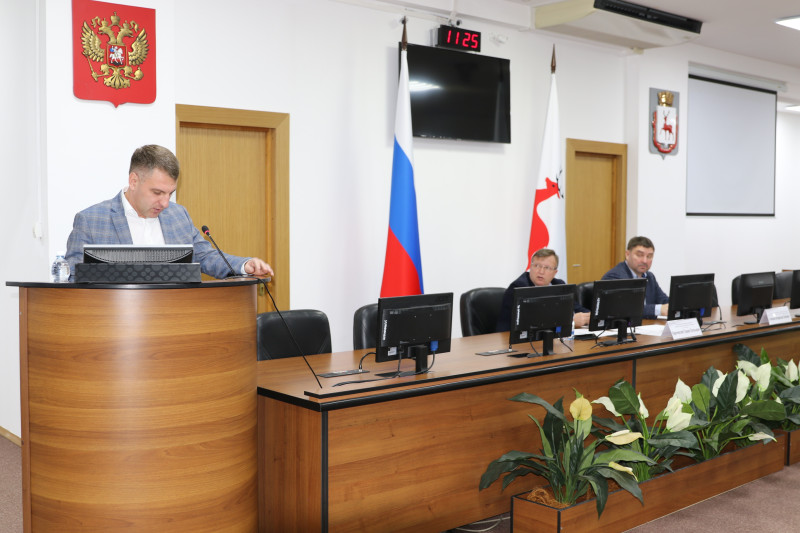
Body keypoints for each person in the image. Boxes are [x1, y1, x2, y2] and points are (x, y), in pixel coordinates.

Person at [65, 144, 274, 280]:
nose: (165, 203)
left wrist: (244, 265)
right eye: (157, 193)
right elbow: (72, 279)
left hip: (175, 320)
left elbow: (204, 256)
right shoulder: (91, 221)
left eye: (170, 193)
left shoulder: (178, 215)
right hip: (117, 323)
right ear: (134, 181)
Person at [496, 248, 590, 332]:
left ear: (555, 272)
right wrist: (571, 321)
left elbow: (576, 308)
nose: (541, 271)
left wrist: (589, 316)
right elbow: (535, 321)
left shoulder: (559, 284)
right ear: (530, 267)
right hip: (512, 339)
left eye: (547, 268)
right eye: (537, 266)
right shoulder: (519, 287)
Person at [601, 236, 668, 319]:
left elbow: (663, 300)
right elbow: (624, 309)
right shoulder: (615, 276)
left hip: (648, 325)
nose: (645, 261)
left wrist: (674, 305)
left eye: (649, 256)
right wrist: (657, 309)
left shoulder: (649, 276)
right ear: (627, 254)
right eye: (639, 255)